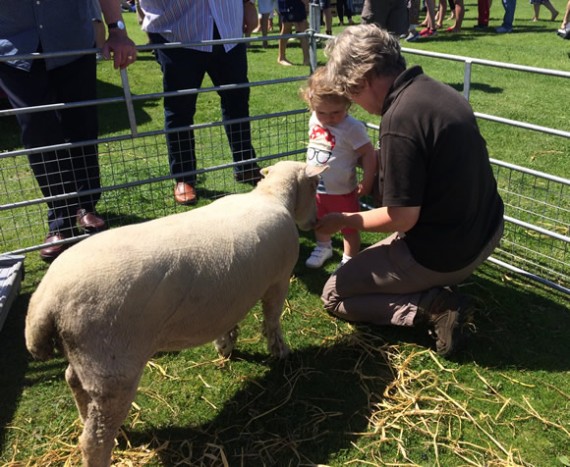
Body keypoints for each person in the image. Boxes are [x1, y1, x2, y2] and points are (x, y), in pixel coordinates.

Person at [318, 24, 505, 357]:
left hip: (446, 253)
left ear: (364, 80)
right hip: (485, 230)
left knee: (334, 293)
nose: (355, 104)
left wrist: (344, 219)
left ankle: (432, 307)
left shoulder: (399, 117)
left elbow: (402, 218)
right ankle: (431, 288)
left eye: (352, 94)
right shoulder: (435, 90)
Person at [0, 0, 137, 261]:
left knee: (82, 126)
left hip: (72, 40)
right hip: (14, 47)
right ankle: (60, 219)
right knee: (37, 130)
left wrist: (117, 29)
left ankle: (86, 205)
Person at [138, 0, 262, 206]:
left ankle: (245, 164)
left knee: (237, 101)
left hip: (228, 29)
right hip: (178, 31)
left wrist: (248, 3)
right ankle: (184, 177)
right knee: (180, 110)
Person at [300, 67, 377, 269]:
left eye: (336, 112)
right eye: (322, 112)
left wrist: (367, 181)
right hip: (316, 185)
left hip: (342, 189)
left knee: (348, 225)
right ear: (311, 104)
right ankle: (323, 246)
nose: (329, 118)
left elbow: (368, 153)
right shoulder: (314, 120)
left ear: (347, 103)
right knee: (320, 219)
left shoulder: (352, 127)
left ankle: (349, 258)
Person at [277, 0, 310, 66]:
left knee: (303, 26)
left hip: (298, 3)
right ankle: (281, 58)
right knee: (287, 27)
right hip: (286, 3)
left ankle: (307, 59)